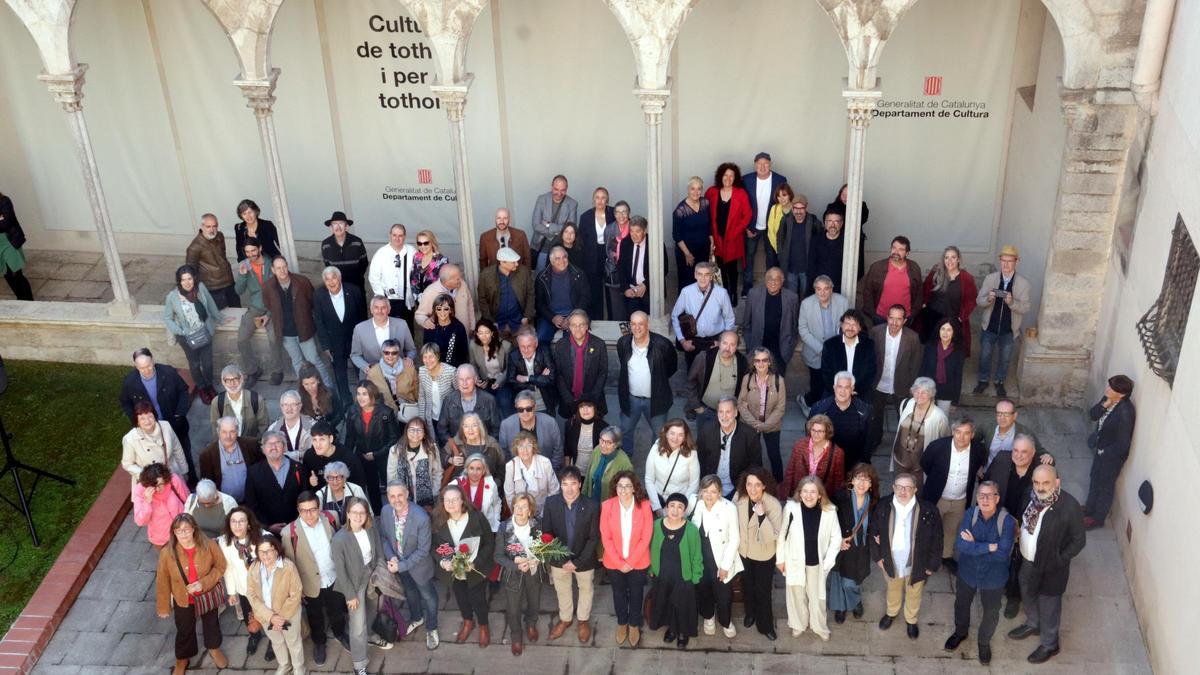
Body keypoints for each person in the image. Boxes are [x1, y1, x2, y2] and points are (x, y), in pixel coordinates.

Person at [1007, 465, 1086, 664]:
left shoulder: (1069, 506)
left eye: (1046, 482)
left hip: (1052, 568)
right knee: (1026, 590)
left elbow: (1079, 541)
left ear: (1057, 482)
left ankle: (1050, 643)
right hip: (1027, 559)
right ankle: (1034, 623)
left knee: (1049, 603)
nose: (1040, 488)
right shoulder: (1029, 495)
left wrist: (1060, 559)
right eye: (1037, 482)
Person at [944, 480, 1016, 665]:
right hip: (968, 572)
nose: (984, 499)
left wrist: (974, 544)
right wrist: (990, 546)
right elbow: (960, 545)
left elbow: (1002, 554)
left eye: (989, 495)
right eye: (980, 495)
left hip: (993, 577)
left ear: (997, 498)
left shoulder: (1006, 521)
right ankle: (960, 632)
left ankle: (983, 643)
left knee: (991, 612)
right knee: (961, 604)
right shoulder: (971, 514)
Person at [869, 472, 942, 639]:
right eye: (899, 487)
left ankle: (911, 619)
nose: (903, 491)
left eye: (907, 487)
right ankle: (891, 612)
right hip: (891, 560)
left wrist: (931, 565)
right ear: (893, 488)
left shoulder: (928, 510)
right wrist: (877, 557)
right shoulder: (882, 506)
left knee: (914, 591)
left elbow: (937, 539)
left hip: (917, 563)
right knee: (893, 588)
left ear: (915, 489)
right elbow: (873, 532)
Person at [985, 435, 1050, 619]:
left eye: (1024, 452)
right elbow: (987, 484)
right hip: (1001, 519)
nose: (1019, 456)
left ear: (1034, 453)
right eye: (1016, 450)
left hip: (1026, 526)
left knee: (1018, 562)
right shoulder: (1001, 460)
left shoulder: (1042, 470)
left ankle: (1013, 597)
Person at [155, 513, 228, 673]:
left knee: (211, 624)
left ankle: (213, 647)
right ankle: (183, 658)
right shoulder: (167, 553)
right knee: (184, 629)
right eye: (178, 531)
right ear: (174, 533)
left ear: (194, 529)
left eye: (186, 530)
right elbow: (162, 579)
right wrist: (163, 606)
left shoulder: (209, 545)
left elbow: (221, 566)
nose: (183, 534)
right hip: (183, 599)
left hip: (207, 595)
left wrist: (203, 583)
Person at [281, 491, 347, 666]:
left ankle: (340, 632)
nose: (309, 514)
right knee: (315, 615)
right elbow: (290, 565)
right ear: (298, 510)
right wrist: (296, 589)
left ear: (320, 508)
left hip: (334, 576)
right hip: (309, 583)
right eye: (304, 510)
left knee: (337, 608)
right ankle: (319, 642)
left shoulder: (331, 517)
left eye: (313, 509)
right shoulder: (289, 533)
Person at [331, 497, 392, 674]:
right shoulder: (339, 539)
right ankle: (360, 664)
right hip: (354, 582)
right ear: (348, 514)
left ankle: (371, 635)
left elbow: (379, 551)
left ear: (367, 514)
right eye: (354, 512)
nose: (358, 516)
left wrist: (381, 573)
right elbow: (340, 571)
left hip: (372, 576)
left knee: (373, 609)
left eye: (362, 512)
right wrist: (350, 595)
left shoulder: (371, 528)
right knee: (357, 626)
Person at [776, 476, 841, 641]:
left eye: (813, 492)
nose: (808, 495)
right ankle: (798, 624)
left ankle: (819, 626)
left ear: (820, 494)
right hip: (794, 560)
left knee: (817, 597)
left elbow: (836, 538)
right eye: (805, 491)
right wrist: (780, 559)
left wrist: (827, 563)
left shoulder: (830, 511)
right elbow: (782, 534)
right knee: (796, 594)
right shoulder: (791, 508)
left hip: (817, 562)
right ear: (800, 492)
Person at [431, 484, 496, 647]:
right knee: (460, 597)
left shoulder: (476, 518)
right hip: (454, 571)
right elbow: (435, 546)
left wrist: (476, 562)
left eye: (455, 500)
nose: (451, 504)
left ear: (462, 501)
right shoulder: (439, 521)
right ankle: (468, 622)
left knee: (478, 599)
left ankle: (483, 626)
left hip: (475, 568)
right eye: (447, 500)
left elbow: (489, 544)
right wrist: (442, 560)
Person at [920, 415, 988, 572]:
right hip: (937, 497)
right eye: (958, 432)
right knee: (929, 528)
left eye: (966, 433)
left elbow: (978, 465)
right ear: (952, 432)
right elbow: (925, 464)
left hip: (960, 500)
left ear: (972, 434)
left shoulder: (978, 449)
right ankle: (925, 558)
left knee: (951, 531)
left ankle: (946, 556)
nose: (962, 437)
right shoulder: (937, 446)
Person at [379, 481, 441, 650]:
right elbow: (384, 536)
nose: (396, 499)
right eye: (392, 496)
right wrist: (392, 557)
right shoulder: (385, 511)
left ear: (407, 494)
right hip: (398, 563)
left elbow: (423, 550)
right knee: (410, 592)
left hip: (418, 567)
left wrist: (401, 566)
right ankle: (416, 617)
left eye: (400, 495)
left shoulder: (421, 517)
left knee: (428, 596)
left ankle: (432, 627)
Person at [543, 466, 601, 644]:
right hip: (559, 560)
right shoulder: (551, 503)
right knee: (562, 590)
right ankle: (566, 619)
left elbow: (593, 538)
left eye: (573, 484)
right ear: (560, 485)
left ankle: (583, 620)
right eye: (565, 484)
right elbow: (547, 533)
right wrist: (562, 560)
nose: (569, 489)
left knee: (586, 590)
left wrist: (577, 562)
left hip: (583, 560)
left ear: (580, 484)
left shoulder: (592, 505)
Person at [120, 348, 196, 482]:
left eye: (148, 365)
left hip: (175, 424)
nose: (146, 370)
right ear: (136, 367)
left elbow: (183, 390)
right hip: (149, 429)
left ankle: (192, 480)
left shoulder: (168, 372)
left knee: (183, 452)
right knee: (159, 458)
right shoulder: (130, 382)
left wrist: (179, 413)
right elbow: (125, 402)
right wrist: (137, 420)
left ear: (153, 360)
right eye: (141, 368)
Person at [263, 256, 334, 388]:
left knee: (314, 361)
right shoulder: (268, 287)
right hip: (286, 333)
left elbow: (312, 301)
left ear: (287, 266)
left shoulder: (301, 282)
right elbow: (269, 305)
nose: (282, 270)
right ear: (273, 270)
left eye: (284, 266)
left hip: (304, 330)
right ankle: (306, 389)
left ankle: (328, 388)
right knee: (297, 362)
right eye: (278, 268)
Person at [973, 245, 1032, 398]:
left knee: (1005, 359)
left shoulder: (1023, 284)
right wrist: (988, 299)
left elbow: (1025, 308)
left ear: (1016, 262)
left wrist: (1012, 302)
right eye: (1003, 261)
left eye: (1009, 261)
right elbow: (979, 301)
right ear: (1000, 261)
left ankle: (1000, 382)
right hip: (989, 326)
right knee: (985, 356)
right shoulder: (990, 278)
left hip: (1009, 329)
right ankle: (983, 380)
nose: (1005, 264)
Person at [615, 311, 677, 454]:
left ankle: (654, 461)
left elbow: (671, 368)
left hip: (656, 399)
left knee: (659, 434)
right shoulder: (623, 343)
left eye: (641, 324)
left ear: (648, 325)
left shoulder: (663, 345)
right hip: (631, 399)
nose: (637, 328)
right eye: (633, 324)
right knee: (625, 430)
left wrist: (658, 379)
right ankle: (625, 459)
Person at [647, 492, 702, 649]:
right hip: (663, 574)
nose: (675, 510)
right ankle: (672, 629)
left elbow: (697, 555)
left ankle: (683, 632)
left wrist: (696, 576)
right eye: (672, 506)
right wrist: (652, 568)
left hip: (683, 575)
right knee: (667, 603)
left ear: (684, 511)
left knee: (682, 605)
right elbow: (652, 548)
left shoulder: (691, 530)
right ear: (666, 508)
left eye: (680, 507)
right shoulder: (657, 525)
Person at [493, 492, 545, 656]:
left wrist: (539, 559)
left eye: (524, 507)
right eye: (517, 506)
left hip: (533, 573)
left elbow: (543, 550)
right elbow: (498, 556)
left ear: (530, 510)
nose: (519, 510)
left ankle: (531, 624)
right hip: (513, 574)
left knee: (534, 601)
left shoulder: (537, 525)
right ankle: (516, 634)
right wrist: (515, 565)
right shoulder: (504, 527)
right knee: (513, 607)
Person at [691, 475, 742, 638]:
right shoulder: (696, 504)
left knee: (724, 595)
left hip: (720, 560)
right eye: (705, 491)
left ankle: (726, 622)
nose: (709, 495)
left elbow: (735, 538)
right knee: (703, 591)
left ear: (720, 492)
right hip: (701, 559)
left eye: (713, 491)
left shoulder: (729, 508)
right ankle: (708, 618)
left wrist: (725, 566)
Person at [163, 264, 222, 404]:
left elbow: (211, 304)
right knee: (195, 364)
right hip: (187, 337)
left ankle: (209, 385)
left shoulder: (200, 288)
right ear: (179, 281)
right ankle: (201, 388)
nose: (187, 283)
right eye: (183, 280)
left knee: (207, 364)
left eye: (189, 279)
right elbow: (167, 318)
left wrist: (220, 318)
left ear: (194, 278)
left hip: (204, 331)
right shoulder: (172, 297)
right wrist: (181, 331)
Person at [246, 535, 305, 674]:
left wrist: (280, 618)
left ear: (276, 550)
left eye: (268, 551)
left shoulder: (288, 567)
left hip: (288, 614)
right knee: (276, 642)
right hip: (266, 616)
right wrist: (271, 617)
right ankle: (284, 665)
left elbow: (296, 594)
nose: (265, 555)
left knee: (293, 642)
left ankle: (298, 666)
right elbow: (251, 594)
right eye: (261, 551)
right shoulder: (254, 568)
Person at [828, 463, 879, 624]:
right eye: (859, 479)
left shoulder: (874, 502)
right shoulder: (840, 497)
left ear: (871, 484)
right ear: (852, 479)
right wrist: (837, 540)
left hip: (861, 548)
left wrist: (878, 536)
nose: (862, 484)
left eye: (867, 480)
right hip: (843, 545)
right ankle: (840, 607)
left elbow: (877, 524)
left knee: (853, 580)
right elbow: (829, 522)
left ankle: (855, 601)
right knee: (839, 578)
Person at [735, 467, 782, 640]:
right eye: (749, 484)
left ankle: (766, 625)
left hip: (763, 555)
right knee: (747, 585)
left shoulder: (773, 505)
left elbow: (773, 536)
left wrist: (762, 516)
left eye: (757, 485)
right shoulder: (739, 498)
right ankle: (750, 614)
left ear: (764, 486)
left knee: (762, 590)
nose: (752, 489)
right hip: (744, 552)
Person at [867, 304, 922, 451]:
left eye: (899, 319)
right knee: (876, 416)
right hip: (878, 382)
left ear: (904, 321)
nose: (894, 323)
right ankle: (875, 439)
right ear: (887, 317)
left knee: (904, 417)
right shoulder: (875, 332)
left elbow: (915, 364)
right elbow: (869, 358)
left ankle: (902, 444)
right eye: (891, 318)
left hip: (901, 384)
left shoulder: (912, 338)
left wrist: (913, 386)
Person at [1084, 374, 1136, 529]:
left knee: (1105, 486)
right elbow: (1093, 415)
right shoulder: (1109, 398)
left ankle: (1097, 519)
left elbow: (1123, 444)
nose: (1107, 389)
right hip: (1101, 447)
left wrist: (1104, 453)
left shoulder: (1126, 412)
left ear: (1121, 394)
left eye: (1111, 388)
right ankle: (1089, 509)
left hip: (1112, 456)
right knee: (1094, 478)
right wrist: (1104, 406)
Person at [217, 507, 268, 658]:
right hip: (244, 589)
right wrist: (232, 592)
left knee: (269, 614)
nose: (237, 525)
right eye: (233, 521)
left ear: (249, 524)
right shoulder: (225, 542)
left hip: (264, 588)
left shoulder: (263, 538)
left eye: (241, 521)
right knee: (249, 616)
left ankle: (273, 641)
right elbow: (229, 568)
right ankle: (254, 635)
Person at [314, 265, 368, 404]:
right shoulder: (319, 295)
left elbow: (363, 316)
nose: (331, 282)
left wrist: (363, 339)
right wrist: (325, 345)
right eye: (327, 280)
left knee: (361, 370)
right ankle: (347, 401)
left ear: (340, 278)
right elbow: (319, 322)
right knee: (340, 374)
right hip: (334, 342)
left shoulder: (354, 291)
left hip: (354, 339)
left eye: (334, 278)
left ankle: (366, 397)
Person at [343, 380, 399, 513]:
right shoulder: (352, 411)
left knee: (391, 487)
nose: (360, 398)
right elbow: (350, 438)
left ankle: (395, 513)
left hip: (383, 456)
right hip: (363, 456)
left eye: (365, 394)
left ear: (372, 395)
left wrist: (376, 454)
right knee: (372, 488)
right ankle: (379, 515)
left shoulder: (386, 412)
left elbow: (394, 439)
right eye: (358, 394)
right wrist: (346, 458)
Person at [233, 237, 282, 388]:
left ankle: (277, 370)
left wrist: (268, 315)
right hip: (255, 307)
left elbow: (280, 290)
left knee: (274, 339)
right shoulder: (245, 266)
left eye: (253, 250)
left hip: (273, 307)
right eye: (247, 252)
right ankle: (253, 370)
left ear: (260, 248)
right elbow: (238, 291)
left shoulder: (272, 263)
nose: (250, 254)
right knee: (241, 339)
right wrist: (242, 275)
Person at [798, 275, 850, 411]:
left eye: (826, 288)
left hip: (836, 352)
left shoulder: (843, 302)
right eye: (819, 289)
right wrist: (822, 349)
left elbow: (847, 326)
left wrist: (836, 348)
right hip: (815, 353)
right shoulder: (806, 304)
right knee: (817, 385)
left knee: (832, 383)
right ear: (815, 290)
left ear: (831, 289)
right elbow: (803, 330)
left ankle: (826, 409)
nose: (822, 292)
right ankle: (807, 401)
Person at [672, 262, 737, 369]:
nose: (703, 278)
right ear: (695, 275)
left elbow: (729, 319)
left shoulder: (722, 293)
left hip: (714, 341)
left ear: (711, 276)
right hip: (693, 341)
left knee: (713, 375)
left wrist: (722, 342)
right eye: (700, 274)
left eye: (706, 274)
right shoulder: (686, 292)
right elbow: (675, 316)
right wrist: (682, 341)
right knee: (692, 375)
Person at [736, 348, 786, 482]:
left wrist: (765, 425)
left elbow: (780, 408)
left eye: (764, 360)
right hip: (751, 425)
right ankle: (756, 482)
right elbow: (741, 404)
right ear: (753, 363)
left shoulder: (778, 380)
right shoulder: (747, 379)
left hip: (771, 425)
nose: (761, 364)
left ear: (769, 362)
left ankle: (779, 485)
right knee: (753, 456)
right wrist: (755, 423)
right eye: (757, 360)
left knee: (774, 456)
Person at [742, 152, 789, 294]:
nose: (762, 166)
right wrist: (745, 227)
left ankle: (772, 287)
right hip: (752, 226)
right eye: (759, 164)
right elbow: (741, 205)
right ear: (755, 164)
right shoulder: (746, 179)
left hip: (771, 227)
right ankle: (747, 287)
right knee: (749, 257)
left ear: (770, 164)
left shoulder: (780, 179)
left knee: (771, 258)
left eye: (765, 163)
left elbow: (785, 201)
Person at [707, 163, 752, 303]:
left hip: (733, 238)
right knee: (720, 268)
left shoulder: (740, 193)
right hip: (717, 238)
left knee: (732, 268)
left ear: (735, 178)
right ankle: (724, 293)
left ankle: (733, 294)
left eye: (731, 175)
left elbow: (748, 215)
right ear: (720, 176)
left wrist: (737, 231)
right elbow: (705, 213)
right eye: (725, 175)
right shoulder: (712, 192)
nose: (728, 178)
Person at [243, 431, 304, 533]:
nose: (273, 447)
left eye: (277, 443)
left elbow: (304, 499)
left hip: (296, 529)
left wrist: (296, 524)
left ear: (284, 447)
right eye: (269, 444)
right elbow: (251, 505)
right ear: (263, 449)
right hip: (267, 534)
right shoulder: (254, 472)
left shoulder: (298, 468)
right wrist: (267, 527)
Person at [892, 377, 951, 484]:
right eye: (917, 391)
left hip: (920, 467)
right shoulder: (907, 404)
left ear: (931, 394)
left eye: (924, 392)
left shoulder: (939, 417)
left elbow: (945, 443)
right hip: (900, 459)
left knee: (919, 495)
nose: (919, 395)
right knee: (900, 488)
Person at [920, 245, 978, 352]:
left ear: (959, 259)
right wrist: (924, 303)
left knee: (950, 350)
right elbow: (925, 288)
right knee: (932, 348)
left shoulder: (966, 278)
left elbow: (972, 300)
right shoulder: (936, 273)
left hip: (952, 320)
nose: (949, 261)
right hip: (933, 317)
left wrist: (961, 317)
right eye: (946, 257)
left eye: (953, 257)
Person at [698, 396, 758, 498]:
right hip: (710, 488)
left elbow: (755, 465)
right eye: (721, 412)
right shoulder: (706, 430)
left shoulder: (749, 434)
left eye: (728, 412)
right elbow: (700, 459)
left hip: (737, 489)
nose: (724, 416)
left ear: (736, 413)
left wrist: (742, 489)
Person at [810, 372, 873, 469]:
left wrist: (863, 464)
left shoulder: (864, 411)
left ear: (852, 389)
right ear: (834, 388)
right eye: (839, 387)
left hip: (853, 464)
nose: (842, 391)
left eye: (847, 387)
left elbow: (868, 442)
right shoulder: (819, 410)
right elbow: (810, 438)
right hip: (826, 464)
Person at [552, 310, 608, 418]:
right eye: (574, 325)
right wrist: (568, 398)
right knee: (571, 432)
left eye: (581, 325)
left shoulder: (599, 344)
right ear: (569, 327)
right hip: (569, 401)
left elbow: (603, 373)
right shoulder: (561, 345)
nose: (577, 329)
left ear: (587, 326)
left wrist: (592, 398)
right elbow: (558, 375)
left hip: (593, 400)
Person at [686, 330, 746, 428]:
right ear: (719, 343)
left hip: (729, 414)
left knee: (726, 441)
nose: (727, 348)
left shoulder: (742, 362)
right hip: (706, 411)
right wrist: (697, 406)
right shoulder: (705, 357)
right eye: (725, 343)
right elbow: (691, 381)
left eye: (732, 344)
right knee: (704, 440)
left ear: (737, 346)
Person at [121, 401, 188, 488]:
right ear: (137, 421)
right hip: (151, 484)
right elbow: (127, 464)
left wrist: (184, 471)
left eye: (150, 416)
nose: (147, 421)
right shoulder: (130, 439)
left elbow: (177, 448)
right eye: (142, 418)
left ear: (155, 417)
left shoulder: (166, 426)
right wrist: (147, 477)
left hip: (172, 475)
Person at [780, 414, 846, 502]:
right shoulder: (799, 445)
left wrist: (834, 502)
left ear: (827, 432)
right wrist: (786, 495)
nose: (816, 434)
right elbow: (790, 471)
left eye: (820, 431)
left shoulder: (837, 453)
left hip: (821, 498)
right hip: (800, 494)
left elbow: (838, 482)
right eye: (813, 430)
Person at [350, 295, 418, 381]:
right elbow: (355, 355)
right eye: (376, 307)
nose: (379, 311)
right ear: (371, 310)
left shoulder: (402, 325)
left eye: (383, 308)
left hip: (398, 376)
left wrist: (409, 359)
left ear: (389, 310)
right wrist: (366, 366)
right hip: (372, 377)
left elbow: (412, 349)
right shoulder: (360, 328)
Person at [744, 267, 800, 369]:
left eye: (777, 279)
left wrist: (790, 347)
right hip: (758, 349)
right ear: (765, 280)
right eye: (770, 278)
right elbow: (747, 323)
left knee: (778, 383)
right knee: (758, 383)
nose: (773, 282)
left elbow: (794, 325)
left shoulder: (792, 298)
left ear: (782, 281)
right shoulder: (753, 294)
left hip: (781, 351)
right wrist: (750, 345)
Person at [860, 236, 923, 325]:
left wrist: (912, 314)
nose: (896, 252)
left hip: (904, 319)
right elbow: (867, 291)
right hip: (880, 317)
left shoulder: (914, 268)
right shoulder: (877, 267)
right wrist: (873, 314)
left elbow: (919, 294)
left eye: (901, 249)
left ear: (907, 253)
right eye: (894, 248)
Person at [198, 417, 262, 503]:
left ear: (237, 431)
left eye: (232, 431)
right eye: (224, 432)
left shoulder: (251, 445)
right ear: (218, 432)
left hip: (250, 501)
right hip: (224, 504)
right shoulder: (207, 455)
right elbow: (207, 484)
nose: (228, 436)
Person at [534, 245, 589, 343]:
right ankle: (548, 359)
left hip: (573, 315)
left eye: (564, 257)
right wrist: (552, 317)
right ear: (551, 261)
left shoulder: (578, 274)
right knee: (541, 339)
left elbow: (585, 298)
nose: (562, 261)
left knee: (575, 340)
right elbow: (539, 303)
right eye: (557, 258)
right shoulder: (542, 277)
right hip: (550, 317)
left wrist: (572, 317)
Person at [645, 420, 701, 516]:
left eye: (680, 435)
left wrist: (682, 507)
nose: (675, 438)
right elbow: (649, 479)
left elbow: (694, 484)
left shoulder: (691, 454)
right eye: (672, 433)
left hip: (680, 506)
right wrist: (657, 507)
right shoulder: (655, 448)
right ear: (666, 433)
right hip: (658, 501)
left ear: (685, 437)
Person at [386, 417, 443, 511]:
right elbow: (391, 476)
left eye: (419, 430)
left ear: (424, 434)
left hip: (427, 499)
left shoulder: (431, 449)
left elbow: (437, 472)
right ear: (406, 432)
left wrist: (434, 492)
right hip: (402, 498)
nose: (415, 433)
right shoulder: (395, 450)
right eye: (412, 430)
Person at [976, 398, 1048, 471]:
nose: (1002, 418)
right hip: (987, 473)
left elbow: (1040, 451)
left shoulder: (1025, 432)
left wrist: (1047, 456)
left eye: (1007, 414)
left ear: (1015, 416)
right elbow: (972, 445)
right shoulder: (986, 427)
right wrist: (978, 465)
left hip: (1010, 475)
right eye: (999, 413)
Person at [820, 310, 877, 404]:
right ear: (841, 325)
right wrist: (840, 391)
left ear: (860, 328)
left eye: (854, 324)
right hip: (835, 391)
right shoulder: (830, 345)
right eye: (847, 323)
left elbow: (870, 373)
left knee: (866, 414)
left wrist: (852, 391)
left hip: (859, 392)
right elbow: (826, 373)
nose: (850, 328)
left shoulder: (868, 345)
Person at [477, 247, 535, 336]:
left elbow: (530, 294)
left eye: (517, 261)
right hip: (497, 323)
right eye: (513, 262)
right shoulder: (486, 274)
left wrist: (527, 316)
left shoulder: (523, 272)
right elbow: (482, 299)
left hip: (519, 322)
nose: (517, 264)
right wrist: (490, 321)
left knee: (524, 346)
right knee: (498, 348)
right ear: (502, 262)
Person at [367, 223, 417, 326]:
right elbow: (373, 277)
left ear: (404, 236)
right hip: (388, 300)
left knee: (407, 329)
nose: (397, 238)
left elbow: (416, 274)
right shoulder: (381, 253)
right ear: (390, 235)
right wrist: (382, 297)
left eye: (400, 235)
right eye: (394, 235)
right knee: (389, 330)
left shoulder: (412, 251)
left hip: (407, 300)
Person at [185, 213, 239, 309]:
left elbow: (223, 255)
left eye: (214, 226)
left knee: (237, 309)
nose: (212, 229)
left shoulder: (220, 236)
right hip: (213, 287)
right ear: (202, 227)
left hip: (229, 281)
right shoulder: (194, 247)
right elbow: (191, 271)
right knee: (221, 314)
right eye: (208, 226)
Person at [579, 187, 616, 319]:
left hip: (610, 255)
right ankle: (596, 319)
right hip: (592, 256)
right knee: (594, 290)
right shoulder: (585, 217)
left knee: (611, 289)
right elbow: (581, 241)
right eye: (597, 197)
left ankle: (613, 319)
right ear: (593, 200)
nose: (600, 201)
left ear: (607, 200)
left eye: (603, 197)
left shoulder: (614, 213)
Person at [301, 420, 368, 495]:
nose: (318, 444)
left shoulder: (348, 457)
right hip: (319, 502)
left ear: (331, 439)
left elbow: (359, 486)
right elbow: (304, 487)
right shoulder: (309, 456)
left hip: (344, 501)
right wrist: (310, 483)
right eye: (314, 440)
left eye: (322, 439)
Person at [438, 364, 500, 443]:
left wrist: (486, 446)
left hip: (483, 449)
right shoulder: (449, 400)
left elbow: (496, 430)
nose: (464, 383)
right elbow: (442, 429)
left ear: (475, 379)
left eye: (468, 379)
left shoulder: (489, 400)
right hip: (457, 449)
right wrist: (454, 448)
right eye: (461, 379)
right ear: (457, 380)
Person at [530, 174, 580, 271]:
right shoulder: (542, 199)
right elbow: (536, 225)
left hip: (562, 248)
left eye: (563, 190)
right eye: (556, 189)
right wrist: (557, 232)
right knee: (540, 276)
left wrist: (549, 225)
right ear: (551, 187)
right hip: (542, 246)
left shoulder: (572, 204)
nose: (559, 193)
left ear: (567, 189)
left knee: (559, 275)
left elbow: (571, 228)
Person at [134, 463, 190, 548]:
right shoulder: (140, 491)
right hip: (162, 539)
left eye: (160, 484)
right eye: (153, 486)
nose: (157, 489)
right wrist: (147, 502)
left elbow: (188, 501)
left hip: (183, 532)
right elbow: (140, 521)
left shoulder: (174, 480)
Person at [444, 412, 505, 490]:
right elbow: (441, 457)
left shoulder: (492, 444)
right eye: (466, 426)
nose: (470, 430)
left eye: (474, 425)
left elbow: (502, 465)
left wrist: (496, 482)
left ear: (480, 427)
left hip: (487, 489)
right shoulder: (455, 442)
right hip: (460, 491)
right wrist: (450, 459)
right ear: (462, 428)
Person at [503, 431, 560, 514]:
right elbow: (509, 495)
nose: (525, 450)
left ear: (533, 447)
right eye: (521, 446)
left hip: (543, 512)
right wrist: (519, 514)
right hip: (521, 514)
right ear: (516, 449)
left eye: (528, 446)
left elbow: (554, 491)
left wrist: (545, 514)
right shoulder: (511, 466)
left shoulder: (545, 463)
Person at [672, 176, 711, 294]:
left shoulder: (705, 203)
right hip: (687, 253)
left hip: (703, 250)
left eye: (699, 189)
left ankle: (701, 308)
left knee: (703, 281)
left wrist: (711, 241)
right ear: (688, 190)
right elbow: (676, 235)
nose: (696, 192)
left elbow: (709, 225)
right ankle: (686, 311)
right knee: (687, 283)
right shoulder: (680, 210)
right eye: (693, 189)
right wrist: (687, 254)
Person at [505, 328, 558, 415]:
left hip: (545, 402)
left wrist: (528, 378)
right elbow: (511, 381)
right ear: (518, 345)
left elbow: (552, 379)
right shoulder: (513, 355)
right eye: (522, 346)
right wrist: (534, 384)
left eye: (529, 346)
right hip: (524, 405)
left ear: (536, 344)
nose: (526, 350)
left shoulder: (545, 351)